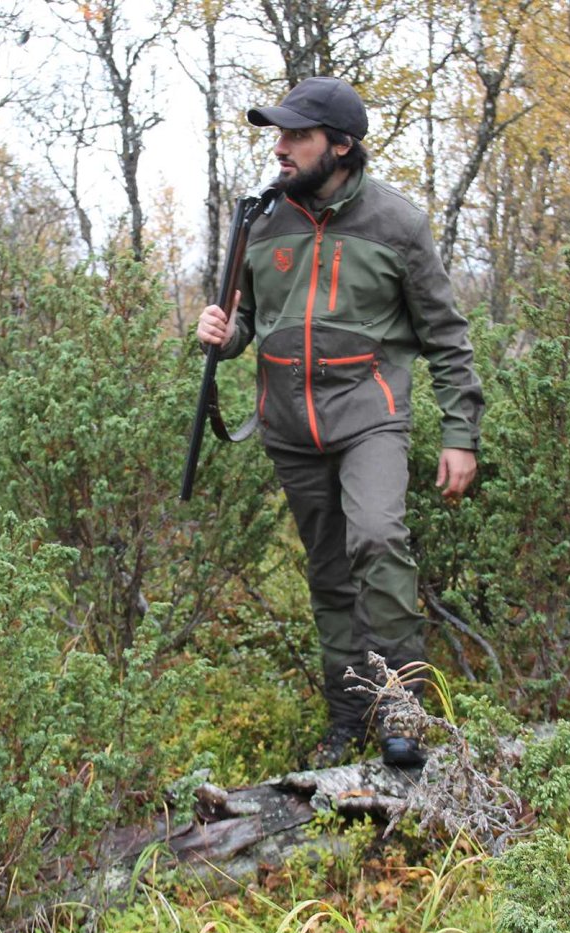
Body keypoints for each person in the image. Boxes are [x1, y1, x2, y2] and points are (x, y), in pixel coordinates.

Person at [196, 76, 484, 768]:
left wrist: (460, 434)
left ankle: (402, 709)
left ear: (342, 145)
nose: (281, 148)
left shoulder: (397, 224)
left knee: (378, 539)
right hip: (289, 427)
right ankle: (348, 713)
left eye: (298, 136)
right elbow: (247, 319)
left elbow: (446, 335)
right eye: (279, 134)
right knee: (328, 574)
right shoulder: (261, 221)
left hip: (369, 417)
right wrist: (222, 333)